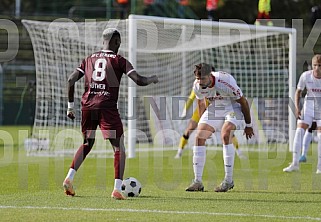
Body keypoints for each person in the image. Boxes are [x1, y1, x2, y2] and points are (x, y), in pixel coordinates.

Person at [62, 28, 159, 200]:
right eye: (119, 43)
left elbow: (70, 80)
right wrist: (152, 79)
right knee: (118, 147)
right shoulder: (119, 60)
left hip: (88, 106)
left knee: (87, 143)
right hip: (107, 107)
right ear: (116, 42)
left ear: (103, 41)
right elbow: (139, 80)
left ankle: (69, 178)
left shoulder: (89, 59)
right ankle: (116, 189)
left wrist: (70, 107)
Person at [185, 63, 254, 192]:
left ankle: (228, 180)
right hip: (215, 108)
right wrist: (204, 126)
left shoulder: (225, 82)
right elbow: (201, 103)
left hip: (232, 106)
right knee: (199, 137)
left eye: (203, 79)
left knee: (225, 134)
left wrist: (248, 125)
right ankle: (197, 182)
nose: (200, 82)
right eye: (198, 79)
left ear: (210, 75)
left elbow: (243, 102)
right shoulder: (197, 86)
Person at [175, 89, 244, 159]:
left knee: (227, 132)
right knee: (189, 130)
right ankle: (179, 152)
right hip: (200, 111)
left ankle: (239, 152)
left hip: (215, 111)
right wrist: (184, 111)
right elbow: (191, 98)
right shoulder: (198, 86)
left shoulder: (217, 84)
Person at [283, 54, 321, 174]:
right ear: (312, 65)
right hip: (308, 107)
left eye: (320, 65)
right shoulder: (306, 76)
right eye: (315, 65)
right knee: (299, 132)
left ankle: (320, 167)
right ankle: (295, 163)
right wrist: (297, 107)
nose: (317, 68)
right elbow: (298, 91)